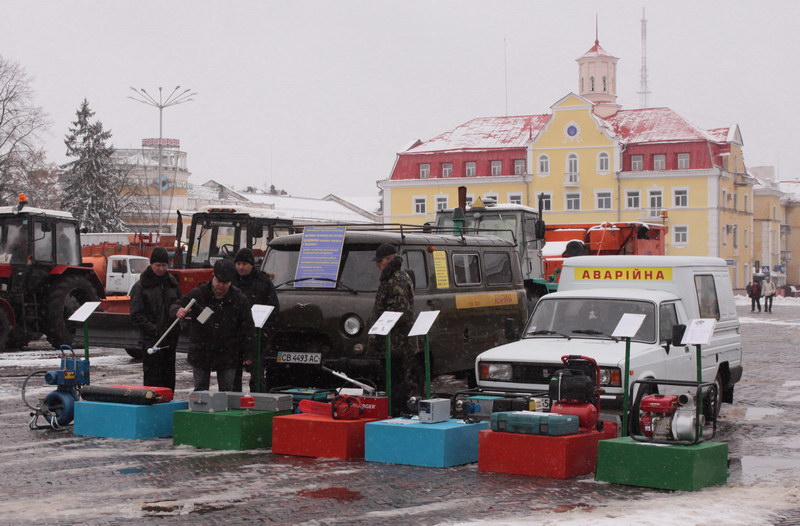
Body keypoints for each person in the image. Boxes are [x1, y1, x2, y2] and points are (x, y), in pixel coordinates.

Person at [171, 258, 256, 392]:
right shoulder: (199, 293)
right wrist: (178, 310)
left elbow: (248, 327)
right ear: (213, 277)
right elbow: (177, 304)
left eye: (225, 283)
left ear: (231, 282)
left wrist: (248, 353)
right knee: (200, 391)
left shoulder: (239, 299)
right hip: (201, 351)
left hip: (228, 352)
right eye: (218, 281)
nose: (220, 286)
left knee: (227, 391)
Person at [369, 243, 419, 415]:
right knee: (393, 379)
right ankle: (395, 411)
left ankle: (399, 413)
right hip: (391, 341)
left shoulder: (397, 279)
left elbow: (399, 310)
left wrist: (382, 327)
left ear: (390, 259)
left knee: (399, 380)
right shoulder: (390, 277)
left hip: (398, 342)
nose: (377, 265)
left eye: (380, 261)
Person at [130, 247, 181, 391]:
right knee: (153, 381)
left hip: (169, 340)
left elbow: (178, 305)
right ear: (151, 264)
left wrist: (176, 329)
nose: (161, 269)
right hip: (152, 341)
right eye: (158, 265)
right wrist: (154, 330)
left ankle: (168, 401)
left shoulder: (172, 284)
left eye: (164, 265)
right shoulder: (141, 286)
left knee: (168, 379)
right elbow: (136, 314)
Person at [232, 247, 280, 392]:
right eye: (238, 264)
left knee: (257, 376)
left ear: (252, 265)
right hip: (233, 336)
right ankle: (234, 400)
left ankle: (259, 401)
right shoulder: (230, 280)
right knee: (233, 377)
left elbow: (273, 309)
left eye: (244, 264)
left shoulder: (263, 282)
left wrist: (265, 333)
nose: (241, 267)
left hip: (256, 335)